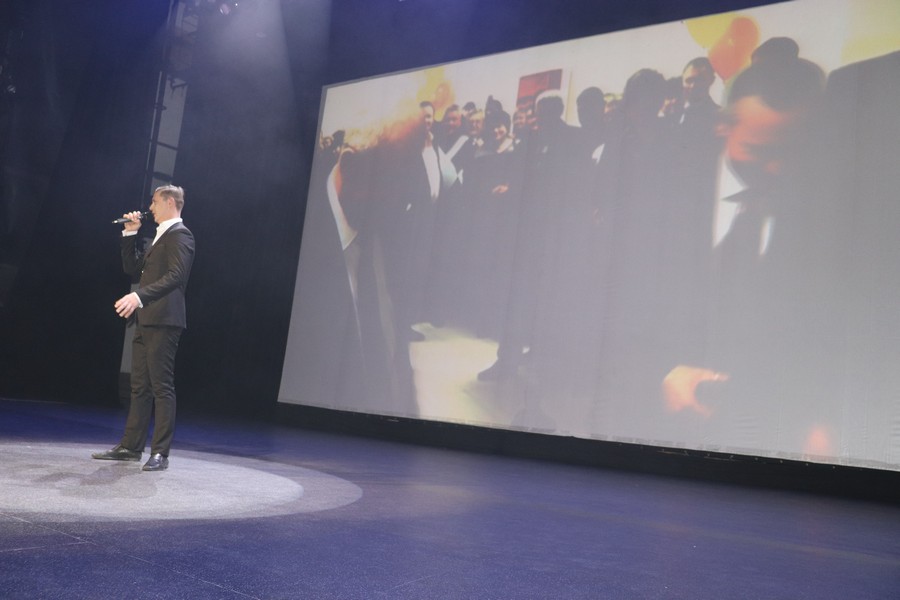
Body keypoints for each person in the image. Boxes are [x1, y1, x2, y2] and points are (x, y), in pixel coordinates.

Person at [92, 185, 195, 471]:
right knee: (139, 387)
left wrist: (138, 297)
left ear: (170, 202)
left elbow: (176, 276)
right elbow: (133, 268)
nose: (150, 208)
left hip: (165, 320)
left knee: (162, 386)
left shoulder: (181, 235)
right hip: (147, 318)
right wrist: (130, 234)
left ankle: (161, 452)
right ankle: (131, 447)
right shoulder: (160, 236)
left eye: (154, 202)